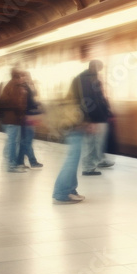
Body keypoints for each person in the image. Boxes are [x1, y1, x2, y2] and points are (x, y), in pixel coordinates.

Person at [73, 59, 114, 176]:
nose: (99, 71)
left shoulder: (90, 77)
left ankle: (97, 161)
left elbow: (99, 96)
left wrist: (106, 110)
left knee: (96, 142)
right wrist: (89, 118)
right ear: (93, 67)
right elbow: (87, 99)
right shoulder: (85, 78)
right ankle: (88, 168)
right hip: (94, 116)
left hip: (98, 115)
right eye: (99, 68)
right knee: (91, 143)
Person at [52, 76, 87, 204]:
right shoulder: (75, 102)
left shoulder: (70, 99)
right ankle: (62, 191)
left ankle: (70, 190)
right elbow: (75, 117)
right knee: (72, 160)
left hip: (73, 130)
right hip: (74, 129)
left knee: (73, 160)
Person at [0, 68, 29, 172]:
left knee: (13, 141)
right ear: (18, 76)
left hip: (12, 118)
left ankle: (11, 163)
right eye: (21, 76)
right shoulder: (14, 86)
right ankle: (11, 164)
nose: (23, 78)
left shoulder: (10, 85)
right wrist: (21, 112)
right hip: (14, 118)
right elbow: (16, 102)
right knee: (13, 142)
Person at [17, 71, 44, 168]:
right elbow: (29, 102)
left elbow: (35, 99)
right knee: (26, 141)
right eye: (25, 76)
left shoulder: (29, 86)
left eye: (28, 75)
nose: (27, 77)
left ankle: (23, 161)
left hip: (29, 116)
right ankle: (28, 162)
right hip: (27, 116)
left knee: (25, 141)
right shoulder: (23, 87)